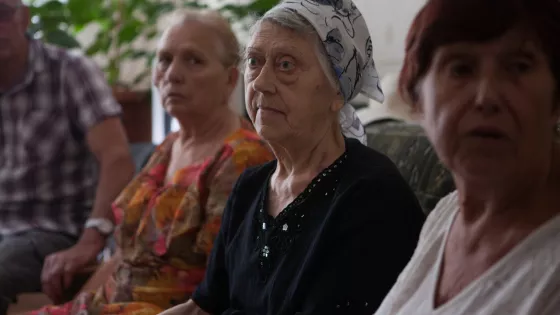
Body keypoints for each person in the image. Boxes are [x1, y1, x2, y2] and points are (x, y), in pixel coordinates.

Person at [161, 1, 426, 314]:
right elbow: (202, 307)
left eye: (285, 65)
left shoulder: (371, 197)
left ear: (338, 91)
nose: (260, 82)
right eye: (255, 62)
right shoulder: (250, 186)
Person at [28, 8, 273, 315]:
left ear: (229, 78)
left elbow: (222, 286)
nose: (173, 74)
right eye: (165, 59)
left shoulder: (243, 157)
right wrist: (71, 308)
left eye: (193, 60)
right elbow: (122, 258)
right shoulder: (167, 148)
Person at [374, 0, 560, 314]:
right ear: (417, 99)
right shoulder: (446, 215)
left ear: (556, 99)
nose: (486, 97)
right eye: (461, 68)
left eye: (519, 67)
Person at [0, 0, 136, 312]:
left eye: (2, 14)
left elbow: (117, 158)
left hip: (50, 230)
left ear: (23, 17)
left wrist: (93, 238)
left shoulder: (69, 71)